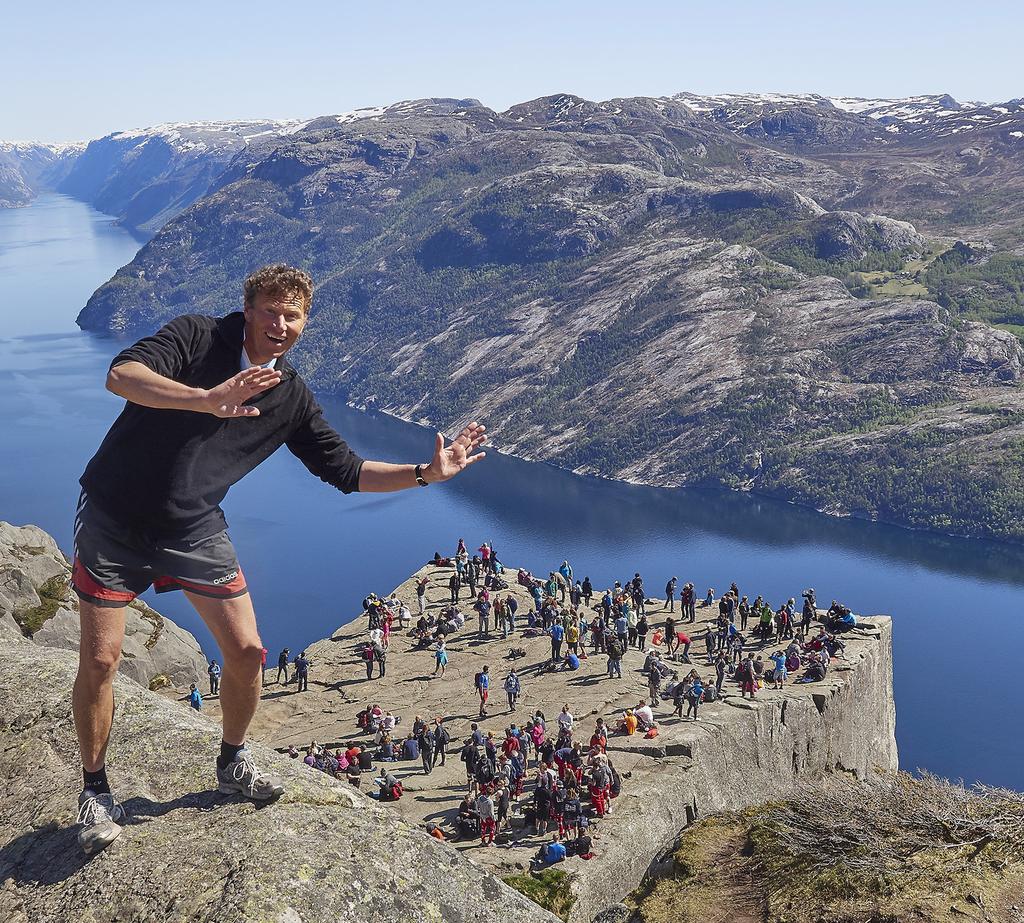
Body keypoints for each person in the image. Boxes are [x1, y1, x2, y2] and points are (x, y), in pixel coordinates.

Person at [68, 263, 488, 855]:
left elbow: (348, 471)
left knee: (246, 652)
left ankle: (233, 761)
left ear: (305, 324)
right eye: (270, 310)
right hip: (114, 514)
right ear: (248, 309)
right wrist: (205, 400)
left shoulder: (289, 397)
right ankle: (94, 788)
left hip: (191, 525)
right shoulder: (196, 338)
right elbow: (122, 375)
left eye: (294, 315)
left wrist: (427, 474)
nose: (281, 323)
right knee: (103, 657)